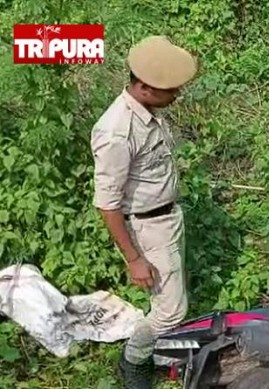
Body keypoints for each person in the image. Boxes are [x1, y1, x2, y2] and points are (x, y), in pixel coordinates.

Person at [90, 35, 199, 388]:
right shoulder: (117, 131)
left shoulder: (148, 112)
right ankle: (134, 363)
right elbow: (107, 203)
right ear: (144, 88)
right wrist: (133, 258)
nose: (177, 95)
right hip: (148, 226)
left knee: (171, 299)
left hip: (167, 218)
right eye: (171, 90)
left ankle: (168, 356)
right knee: (170, 312)